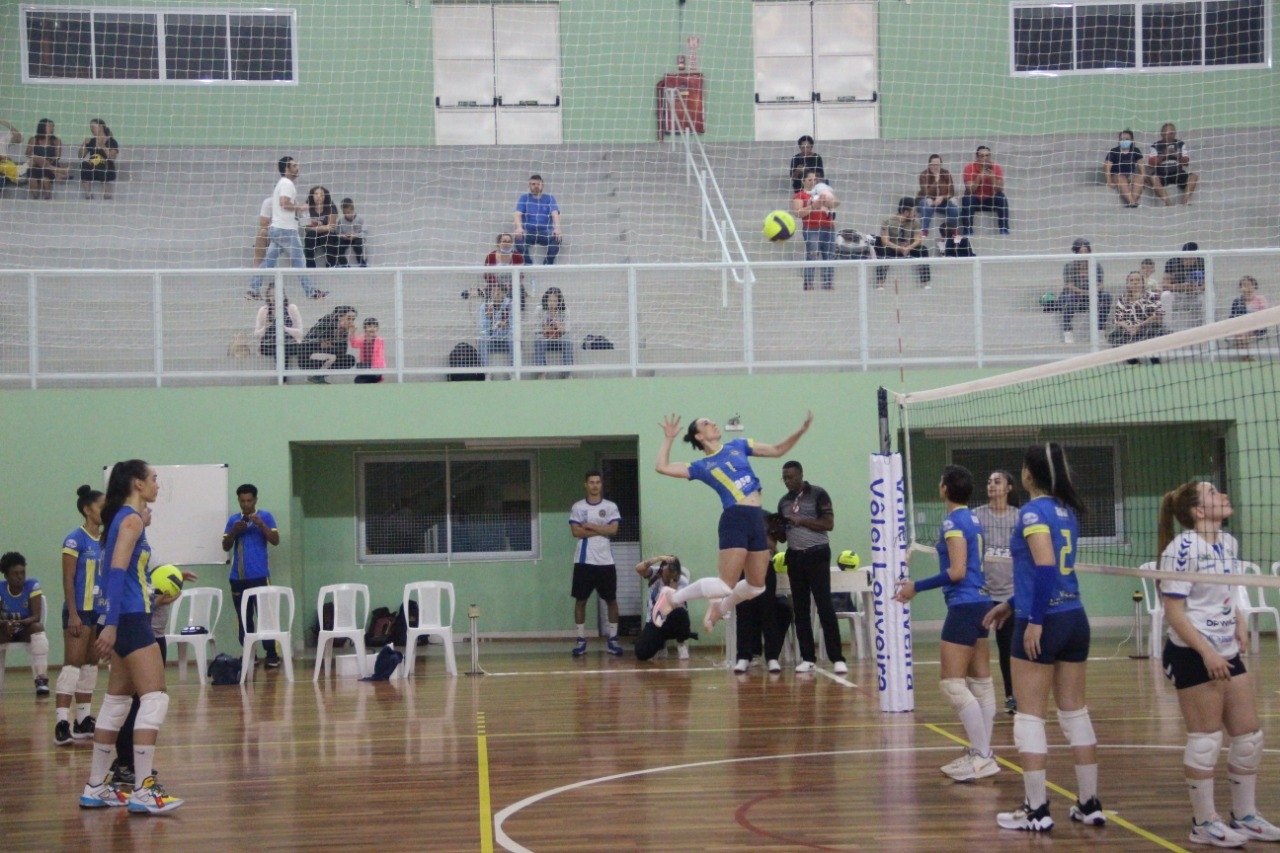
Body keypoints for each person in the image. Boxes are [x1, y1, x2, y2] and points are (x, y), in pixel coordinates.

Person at [983, 443, 1104, 832]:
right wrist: (1012, 603)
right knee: (1075, 714)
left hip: (1046, 619)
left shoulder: (1034, 511)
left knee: (1029, 716)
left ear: (1028, 476)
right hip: (1074, 618)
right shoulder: (1067, 510)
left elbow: (1046, 566)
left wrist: (1032, 619)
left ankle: (1036, 810)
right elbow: (1048, 572)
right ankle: (1088, 804)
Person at [1156, 481, 1280, 848]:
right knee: (1206, 740)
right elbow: (1174, 611)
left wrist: (1239, 620)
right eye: (1213, 493)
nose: (1223, 495)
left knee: (1248, 738)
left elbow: (1228, 589)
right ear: (1197, 511)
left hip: (1226, 648)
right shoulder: (1181, 549)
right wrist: (1206, 652)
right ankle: (1203, 823)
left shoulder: (1227, 543)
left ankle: (1244, 815)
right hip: (1192, 651)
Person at [79, 459, 183, 814]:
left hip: (125, 616)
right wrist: (110, 623)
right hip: (132, 620)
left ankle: (96, 786)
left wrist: (111, 619)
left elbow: (124, 571)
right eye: (154, 478)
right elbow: (117, 571)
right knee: (155, 699)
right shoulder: (131, 519)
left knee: (117, 703)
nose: (158, 484)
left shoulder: (121, 520)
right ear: (137, 484)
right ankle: (144, 789)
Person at [651, 412, 813, 633]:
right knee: (725, 584)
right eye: (706, 423)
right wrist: (669, 438)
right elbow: (662, 467)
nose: (713, 422)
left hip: (756, 519)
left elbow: (777, 450)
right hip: (735, 518)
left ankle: (719, 609)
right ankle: (672, 597)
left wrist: (800, 432)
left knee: (757, 586)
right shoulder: (701, 466)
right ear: (699, 436)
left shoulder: (739, 445)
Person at [894, 465, 998, 782]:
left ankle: (982, 755)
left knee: (952, 684)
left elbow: (956, 571)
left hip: (965, 605)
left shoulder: (954, 522)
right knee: (981, 682)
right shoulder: (974, 519)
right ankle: (981, 754)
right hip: (981, 601)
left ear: (944, 489)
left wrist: (915, 587)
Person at [110, 508, 197, 788]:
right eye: (144, 507)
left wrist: (174, 576)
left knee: (137, 700)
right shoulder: (128, 543)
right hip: (140, 631)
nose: (149, 511)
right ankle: (127, 766)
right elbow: (130, 589)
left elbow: (152, 577)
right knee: (136, 702)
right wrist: (157, 602)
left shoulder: (146, 547)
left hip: (154, 633)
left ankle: (124, 768)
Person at [778, 461, 844, 674]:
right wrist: (776, 527)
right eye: (784, 478)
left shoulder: (818, 494)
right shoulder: (784, 502)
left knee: (824, 605)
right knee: (800, 609)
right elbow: (782, 535)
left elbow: (828, 524)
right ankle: (808, 657)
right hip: (795, 557)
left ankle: (837, 658)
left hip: (817, 554)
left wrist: (801, 521)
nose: (787, 482)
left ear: (800, 475)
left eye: (791, 477)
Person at [55, 485, 104, 746]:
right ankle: (62, 722)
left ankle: (83, 720)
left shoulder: (106, 540)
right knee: (72, 666)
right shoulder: (75, 539)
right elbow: (68, 577)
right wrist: (73, 613)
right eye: (101, 506)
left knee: (89, 666)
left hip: (97, 611)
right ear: (88, 509)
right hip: (79, 610)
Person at [973, 471, 1019, 715]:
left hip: (1009, 594)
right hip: (982, 592)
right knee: (975, 647)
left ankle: (1012, 696)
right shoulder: (976, 515)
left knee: (1008, 649)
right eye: (989, 481)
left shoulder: (1019, 517)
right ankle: (976, 699)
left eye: (997, 481)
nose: (991, 484)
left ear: (1009, 487)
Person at [221, 484, 281, 668]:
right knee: (243, 617)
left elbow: (275, 540)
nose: (246, 504)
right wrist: (234, 531)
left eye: (249, 500)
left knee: (266, 617)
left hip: (260, 576)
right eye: (242, 501)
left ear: (255, 500)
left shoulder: (266, 516)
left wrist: (261, 524)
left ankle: (271, 654)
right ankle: (250, 653)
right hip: (238, 578)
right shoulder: (233, 520)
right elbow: (225, 546)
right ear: (238, 501)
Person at [569, 470, 622, 657]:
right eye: (591, 482)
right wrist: (602, 529)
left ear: (601, 485)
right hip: (584, 561)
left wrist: (590, 526)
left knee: (611, 600)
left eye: (598, 482)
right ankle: (581, 640)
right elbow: (576, 532)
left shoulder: (610, 507)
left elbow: (614, 529)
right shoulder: (577, 507)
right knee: (581, 601)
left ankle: (613, 640)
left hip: (606, 561)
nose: (594, 485)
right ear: (586, 484)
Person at [259, 157, 325, 300]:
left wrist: (308, 222)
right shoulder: (287, 183)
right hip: (286, 230)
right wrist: (300, 207)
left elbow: (288, 213)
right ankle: (311, 292)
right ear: (286, 169)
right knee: (300, 261)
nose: (298, 168)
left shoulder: (282, 184)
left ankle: (253, 289)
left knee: (268, 261)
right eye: (294, 165)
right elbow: (284, 203)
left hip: (278, 229)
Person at [733, 511, 788, 674]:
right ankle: (743, 657)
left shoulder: (767, 517)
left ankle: (772, 658)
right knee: (743, 611)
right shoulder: (734, 517)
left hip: (765, 565)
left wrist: (772, 530)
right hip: (743, 566)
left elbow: (776, 543)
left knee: (768, 610)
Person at [0, 551, 49, 696]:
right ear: (6, 575)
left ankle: (41, 680)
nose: (20, 576)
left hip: (25, 630)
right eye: (15, 573)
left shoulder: (32, 585)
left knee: (38, 628)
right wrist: (6, 624)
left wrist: (19, 623)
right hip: (5, 631)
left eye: (22, 572)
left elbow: (36, 616)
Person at [634, 555, 694, 661]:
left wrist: (672, 585)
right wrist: (659, 558)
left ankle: (681, 643)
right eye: (668, 573)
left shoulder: (681, 580)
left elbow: (674, 603)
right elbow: (638, 568)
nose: (671, 575)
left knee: (681, 613)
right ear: (662, 569)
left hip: (673, 617)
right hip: (655, 620)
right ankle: (660, 644)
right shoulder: (654, 574)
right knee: (641, 652)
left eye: (674, 573)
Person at [791, 169, 838, 290]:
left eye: (814, 180)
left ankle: (828, 282)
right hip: (811, 228)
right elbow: (798, 213)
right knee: (812, 254)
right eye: (809, 180)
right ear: (803, 181)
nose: (812, 182)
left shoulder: (823, 192)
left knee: (829, 255)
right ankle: (808, 282)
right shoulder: (800, 195)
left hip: (828, 226)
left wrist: (828, 201)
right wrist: (812, 206)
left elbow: (837, 202)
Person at [1058, 238, 1109, 344]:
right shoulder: (1070, 266)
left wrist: (1091, 293)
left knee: (1106, 296)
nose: (1084, 254)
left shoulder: (1096, 265)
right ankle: (1068, 332)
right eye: (1081, 252)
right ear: (1076, 253)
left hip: (1091, 296)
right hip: (1075, 296)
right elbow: (1068, 285)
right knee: (1068, 298)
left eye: (1086, 251)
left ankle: (1100, 330)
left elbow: (1101, 285)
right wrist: (1084, 292)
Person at [874, 197, 931, 288]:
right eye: (913, 211)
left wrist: (909, 247)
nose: (915, 214)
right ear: (905, 212)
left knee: (923, 250)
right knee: (882, 249)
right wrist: (899, 248)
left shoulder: (915, 223)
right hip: (893, 249)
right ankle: (880, 282)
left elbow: (918, 240)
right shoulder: (888, 221)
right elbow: (885, 241)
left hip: (908, 249)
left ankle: (924, 282)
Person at [1109, 271, 1168, 355]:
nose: (1135, 282)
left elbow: (1158, 315)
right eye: (1131, 280)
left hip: (1147, 327)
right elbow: (1118, 319)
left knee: (1153, 330)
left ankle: (1153, 357)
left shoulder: (1152, 296)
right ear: (1128, 284)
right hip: (1129, 329)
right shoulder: (1123, 298)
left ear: (1143, 283)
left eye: (1137, 280)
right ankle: (1131, 358)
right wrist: (1128, 327)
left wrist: (1139, 325)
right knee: (1116, 334)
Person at [254, 282, 305, 374]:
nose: (273, 298)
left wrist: (284, 328)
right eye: (270, 295)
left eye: (276, 295)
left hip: (290, 343)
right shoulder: (263, 310)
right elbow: (256, 334)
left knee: (282, 346)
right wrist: (266, 327)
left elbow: (300, 332)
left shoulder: (291, 308)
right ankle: (282, 379)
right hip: (269, 344)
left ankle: (282, 379)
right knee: (278, 346)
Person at [299, 305, 358, 383]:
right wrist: (319, 344)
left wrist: (352, 333)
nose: (351, 322)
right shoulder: (327, 322)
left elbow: (342, 352)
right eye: (349, 318)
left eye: (353, 319)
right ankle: (314, 377)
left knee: (350, 359)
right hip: (308, 358)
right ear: (340, 316)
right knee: (332, 354)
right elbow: (306, 342)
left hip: (328, 356)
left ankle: (318, 377)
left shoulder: (344, 330)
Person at [959, 146, 1010, 235]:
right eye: (982, 156)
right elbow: (970, 190)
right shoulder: (969, 168)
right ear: (977, 157)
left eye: (987, 156)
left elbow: (999, 189)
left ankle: (1004, 229)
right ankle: (967, 230)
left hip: (990, 200)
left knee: (1002, 197)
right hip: (975, 200)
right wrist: (979, 177)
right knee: (967, 199)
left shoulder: (996, 167)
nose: (985, 158)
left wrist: (992, 179)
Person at [513, 174, 561, 265]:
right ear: (529, 186)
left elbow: (555, 213)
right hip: (529, 231)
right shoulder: (524, 198)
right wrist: (519, 228)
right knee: (518, 239)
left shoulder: (549, 198)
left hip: (545, 231)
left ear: (542, 186)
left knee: (557, 238)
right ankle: (528, 262)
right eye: (533, 184)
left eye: (538, 184)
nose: (536, 186)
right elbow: (517, 214)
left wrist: (557, 228)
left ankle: (548, 262)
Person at [1149, 123, 1199, 206]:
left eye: (1171, 133)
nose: (1169, 136)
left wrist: (1178, 156)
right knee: (1153, 178)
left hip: (1177, 173)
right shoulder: (1155, 146)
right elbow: (1151, 164)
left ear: (1175, 133)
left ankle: (1184, 201)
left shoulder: (1180, 144)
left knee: (1194, 176)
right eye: (1166, 133)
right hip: (1161, 174)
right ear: (1161, 134)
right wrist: (1163, 156)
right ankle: (1168, 203)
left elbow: (1186, 163)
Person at [1162, 242, 1206, 332]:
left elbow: (1206, 285)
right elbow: (1165, 285)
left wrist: (1193, 288)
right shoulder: (1172, 262)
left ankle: (1207, 324)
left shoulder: (1202, 262)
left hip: (1195, 294)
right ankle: (1167, 327)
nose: (1188, 261)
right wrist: (1185, 286)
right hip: (1176, 294)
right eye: (1186, 258)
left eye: (1192, 259)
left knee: (1210, 295)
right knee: (1165, 295)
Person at [916, 155, 958, 237]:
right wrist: (936, 181)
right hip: (926, 201)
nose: (935, 167)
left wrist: (942, 197)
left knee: (954, 206)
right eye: (933, 164)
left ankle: (953, 230)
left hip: (942, 202)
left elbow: (951, 192)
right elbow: (926, 193)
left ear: (941, 165)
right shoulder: (924, 175)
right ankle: (924, 231)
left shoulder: (946, 173)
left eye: (937, 165)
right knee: (926, 203)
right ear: (929, 164)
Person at [534, 286, 573, 375]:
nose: (552, 303)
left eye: (555, 301)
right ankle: (542, 372)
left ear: (559, 301)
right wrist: (545, 329)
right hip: (545, 338)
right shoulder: (539, 310)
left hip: (559, 338)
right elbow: (536, 329)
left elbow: (567, 329)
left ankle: (567, 374)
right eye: (550, 300)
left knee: (567, 339)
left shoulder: (565, 311)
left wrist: (559, 326)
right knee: (538, 338)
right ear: (546, 300)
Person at [1104, 129, 1147, 208]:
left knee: (1139, 178)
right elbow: (1107, 167)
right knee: (1122, 178)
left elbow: (1141, 165)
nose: (1124, 141)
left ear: (1132, 140)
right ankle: (1133, 202)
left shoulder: (1135, 150)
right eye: (1122, 139)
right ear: (1119, 140)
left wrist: (1143, 178)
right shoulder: (1113, 151)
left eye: (1127, 139)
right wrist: (1109, 181)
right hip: (1117, 175)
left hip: (1130, 175)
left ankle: (1132, 203)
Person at [78, 118, 118, 200]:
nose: (91, 129)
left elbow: (112, 157)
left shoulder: (111, 141)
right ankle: (88, 194)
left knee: (100, 161)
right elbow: (80, 156)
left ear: (101, 127)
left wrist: (102, 146)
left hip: (107, 170)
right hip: (93, 170)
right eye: (90, 127)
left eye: (93, 126)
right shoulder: (91, 141)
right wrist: (84, 144)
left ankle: (107, 193)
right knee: (84, 164)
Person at [1228, 275, 1269, 351]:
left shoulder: (1261, 299)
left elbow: (1264, 314)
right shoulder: (1237, 301)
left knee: (1243, 333)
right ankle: (1246, 356)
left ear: (1254, 286)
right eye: (1244, 285)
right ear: (1240, 288)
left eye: (1249, 285)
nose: (1246, 288)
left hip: (1258, 326)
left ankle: (1245, 356)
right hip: (1241, 327)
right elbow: (1232, 316)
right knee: (1241, 333)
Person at [477, 281, 512, 368]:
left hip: (506, 338)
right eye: (493, 292)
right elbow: (483, 329)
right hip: (491, 339)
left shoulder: (511, 305)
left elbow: (514, 326)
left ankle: (513, 370)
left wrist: (505, 325)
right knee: (481, 338)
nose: (495, 295)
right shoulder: (484, 306)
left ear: (504, 294)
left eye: (498, 292)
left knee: (514, 336)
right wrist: (489, 318)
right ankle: (486, 372)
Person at [303, 186, 339, 269]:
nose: (318, 196)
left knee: (327, 235)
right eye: (316, 194)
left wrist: (315, 228)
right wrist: (320, 228)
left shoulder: (330, 208)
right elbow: (306, 227)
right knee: (310, 236)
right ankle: (310, 264)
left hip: (327, 236)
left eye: (321, 194)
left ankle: (331, 263)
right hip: (314, 235)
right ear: (312, 195)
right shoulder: (307, 209)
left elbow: (331, 227)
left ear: (325, 196)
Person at [25, 118, 61, 200]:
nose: (52, 129)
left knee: (45, 177)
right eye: (50, 126)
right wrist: (38, 159)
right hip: (36, 164)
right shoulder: (34, 140)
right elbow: (27, 153)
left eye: (53, 127)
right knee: (31, 176)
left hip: (50, 164)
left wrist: (47, 161)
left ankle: (47, 197)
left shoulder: (56, 141)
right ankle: (35, 197)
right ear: (42, 127)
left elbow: (57, 156)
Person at [247, 195, 273, 299]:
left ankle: (310, 291)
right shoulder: (269, 202)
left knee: (270, 257)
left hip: (287, 236)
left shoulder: (292, 203)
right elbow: (263, 223)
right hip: (273, 233)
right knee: (262, 233)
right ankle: (254, 290)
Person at [334, 198, 368, 268]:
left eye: (349, 212)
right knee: (338, 247)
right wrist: (344, 236)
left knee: (358, 246)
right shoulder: (341, 221)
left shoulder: (360, 219)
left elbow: (365, 231)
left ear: (353, 209)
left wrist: (356, 235)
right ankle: (345, 265)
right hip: (346, 238)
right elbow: (338, 232)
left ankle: (362, 262)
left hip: (357, 237)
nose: (348, 215)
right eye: (345, 213)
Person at [350, 316, 385, 384]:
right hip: (365, 366)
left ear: (377, 328)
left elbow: (379, 356)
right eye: (369, 326)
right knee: (358, 381)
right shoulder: (362, 338)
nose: (372, 328)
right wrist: (352, 333)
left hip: (376, 367)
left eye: (374, 327)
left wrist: (376, 367)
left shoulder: (379, 340)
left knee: (371, 377)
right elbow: (354, 344)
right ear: (365, 328)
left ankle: (378, 378)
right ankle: (376, 379)